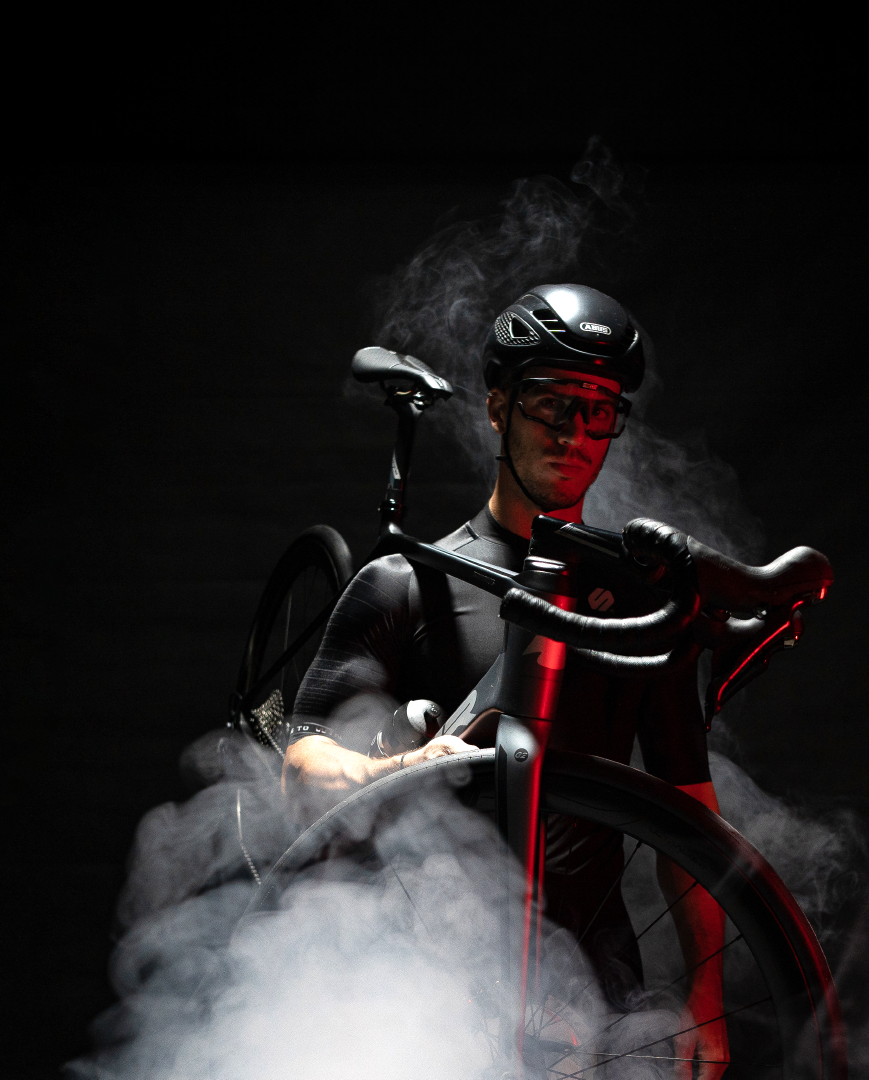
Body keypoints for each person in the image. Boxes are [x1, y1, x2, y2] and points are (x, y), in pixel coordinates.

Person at [282, 283, 728, 1077]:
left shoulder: (636, 605)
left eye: (599, 410)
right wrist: (406, 769)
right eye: (552, 403)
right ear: (498, 407)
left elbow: (691, 815)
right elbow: (302, 766)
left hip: (596, 991)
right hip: (426, 987)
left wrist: (704, 993)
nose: (574, 431)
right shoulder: (406, 585)